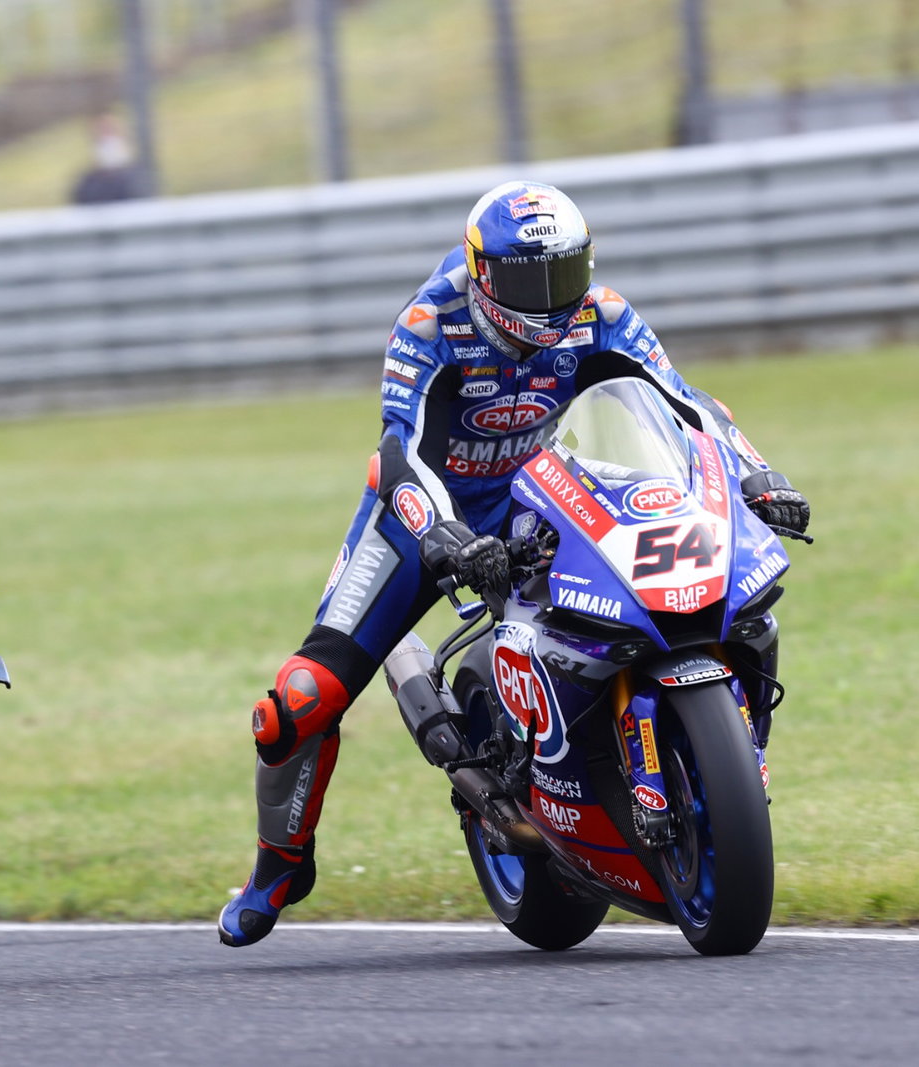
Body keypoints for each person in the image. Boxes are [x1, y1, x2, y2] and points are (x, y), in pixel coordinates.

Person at [216, 180, 811, 947]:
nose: (557, 299)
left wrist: (758, 474)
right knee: (299, 702)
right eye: (535, 282)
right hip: (428, 516)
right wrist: (444, 538)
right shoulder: (432, 323)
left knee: (670, 606)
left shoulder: (603, 313)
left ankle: (624, 770)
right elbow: (400, 456)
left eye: (568, 274)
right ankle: (280, 867)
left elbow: (685, 403)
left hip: (549, 496)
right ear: (484, 274)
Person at [70, 114, 145, 205]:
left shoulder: (142, 175)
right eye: (102, 132)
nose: (107, 138)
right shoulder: (88, 183)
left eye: (110, 130)